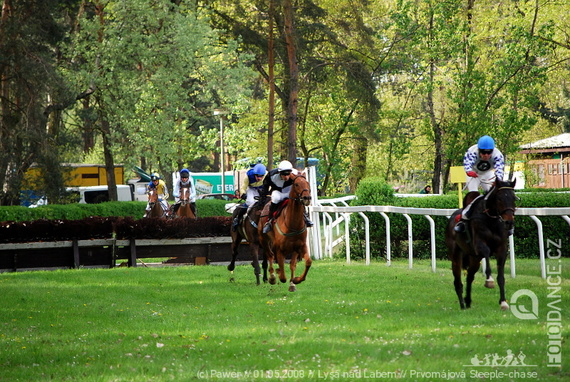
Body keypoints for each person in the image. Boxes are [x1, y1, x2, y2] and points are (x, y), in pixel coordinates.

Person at [454, 135, 505, 233]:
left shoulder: (498, 155)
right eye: (483, 152)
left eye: (489, 152)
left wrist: (497, 181)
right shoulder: (472, 151)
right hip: (474, 174)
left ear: (492, 151)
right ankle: (463, 220)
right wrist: (468, 171)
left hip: (488, 174)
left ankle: (500, 220)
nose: (486, 155)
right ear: (479, 150)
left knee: (493, 194)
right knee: (473, 195)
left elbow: (499, 171)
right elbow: (467, 164)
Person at [261, 160, 313, 234]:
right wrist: (264, 196)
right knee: (275, 197)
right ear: (279, 173)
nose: (286, 177)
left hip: (290, 193)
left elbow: (302, 184)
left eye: (288, 174)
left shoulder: (296, 174)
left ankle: (305, 216)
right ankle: (270, 221)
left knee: (299, 197)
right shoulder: (271, 175)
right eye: (283, 174)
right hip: (278, 193)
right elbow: (265, 185)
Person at [232, 163, 267, 231]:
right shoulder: (249, 175)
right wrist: (243, 194)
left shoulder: (267, 175)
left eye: (261, 176)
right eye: (257, 176)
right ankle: (237, 219)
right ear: (254, 174)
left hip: (262, 189)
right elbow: (243, 187)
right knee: (250, 202)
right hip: (252, 189)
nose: (259, 178)